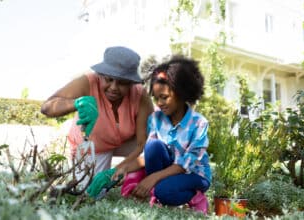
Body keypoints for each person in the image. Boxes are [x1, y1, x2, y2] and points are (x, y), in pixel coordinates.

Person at [115, 55, 211, 214]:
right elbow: (149, 157)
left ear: (181, 93)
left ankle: (196, 197)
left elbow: (185, 165)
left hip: (195, 174)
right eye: (156, 98)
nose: (159, 103)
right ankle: (156, 193)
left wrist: (152, 179)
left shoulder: (199, 124)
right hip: (169, 171)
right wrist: (122, 169)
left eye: (164, 97)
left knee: (164, 192)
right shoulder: (155, 119)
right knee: (153, 146)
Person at [41, 46, 154, 174]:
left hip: (125, 142)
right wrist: (76, 103)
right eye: (108, 79)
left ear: (131, 82)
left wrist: (117, 171)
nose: (114, 88)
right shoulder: (87, 83)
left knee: (153, 152)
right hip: (93, 146)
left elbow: (142, 144)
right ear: (100, 75)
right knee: (91, 191)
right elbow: (47, 107)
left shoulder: (140, 95)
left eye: (122, 83)